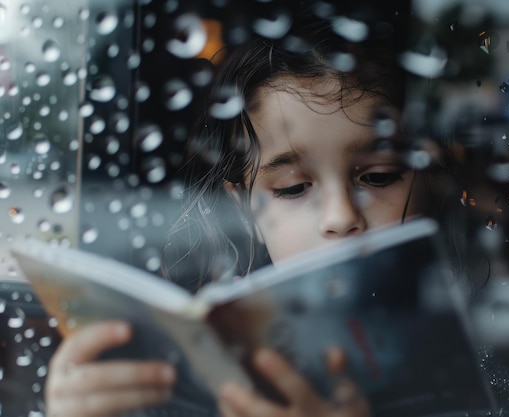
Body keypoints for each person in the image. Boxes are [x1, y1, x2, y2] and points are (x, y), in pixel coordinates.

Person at [44, 7, 478, 417]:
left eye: (380, 177)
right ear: (244, 206)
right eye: (293, 188)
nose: (341, 216)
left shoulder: (469, 355)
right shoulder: (199, 365)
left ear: (427, 180)